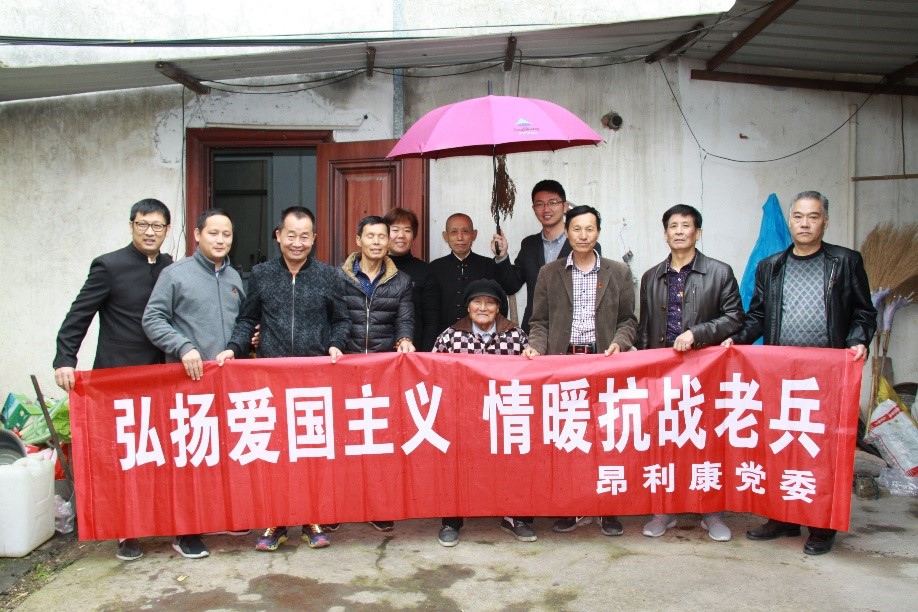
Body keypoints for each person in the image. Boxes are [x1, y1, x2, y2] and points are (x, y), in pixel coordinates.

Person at [724, 190, 876, 555]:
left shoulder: (845, 261)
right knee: (781, 444)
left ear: (825, 221)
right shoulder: (771, 266)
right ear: (790, 221)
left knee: (823, 449)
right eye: (798, 216)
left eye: (813, 216)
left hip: (827, 376)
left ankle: (822, 525)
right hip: (782, 375)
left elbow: (863, 311)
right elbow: (758, 315)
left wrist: (858, 339)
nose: (804, 223)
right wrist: (735, 339)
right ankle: (783, 518)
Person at [215, 206, 349, 553]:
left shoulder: (328, 276)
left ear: (314, 239)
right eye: (291, 235)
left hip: (313, 378)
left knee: (311, 450)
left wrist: (336, 343)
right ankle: (275, 521)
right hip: (271, 378)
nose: (297, 242)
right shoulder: (261, 274)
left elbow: (341, 320)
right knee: (274, 450)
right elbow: (248, 319)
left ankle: (312, 518)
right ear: (278, 236)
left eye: (305, 236)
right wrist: (234, 348)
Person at [53, 198, 173, 561]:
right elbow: (79, 314)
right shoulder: (109, 266)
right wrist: (65, 359)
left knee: (159, 453)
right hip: (118, 376)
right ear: (131, 225)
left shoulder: (170, 266)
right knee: (126, 457)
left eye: (157, 226)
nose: (150, 232)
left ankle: (160, 520)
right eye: (143, 224)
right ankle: (126, 531)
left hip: (160, 375)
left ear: (167, 230)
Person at [523, 204, 637, 537]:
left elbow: (628, 320)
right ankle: (574, 506)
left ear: (598, 232)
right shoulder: (549, 273)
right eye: (576, 229)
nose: (583, 235)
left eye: (589, 229)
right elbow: (539, 321)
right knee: (570, 438)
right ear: (567, 232)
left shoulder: (618, 272)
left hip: (604, 364)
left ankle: (607, 509)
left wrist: (619, 342)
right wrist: (536, 347)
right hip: (564, 364)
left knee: (607, 437)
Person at [635, 204, 744, 542]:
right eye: (673, 226)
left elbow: (735, 317)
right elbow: (645, 328)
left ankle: (711, 513)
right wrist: (642, 367)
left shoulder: (719, 272)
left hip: (706, 372)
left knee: (706, 441)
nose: (679, 231)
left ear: (698, 233)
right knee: (665, 442)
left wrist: (698, 333)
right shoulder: (652, 276)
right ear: (665, 233)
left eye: (686, 226)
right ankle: (664, 510)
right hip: (663, 374)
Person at [141, 209, 245, 558]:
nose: (220, 240)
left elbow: (241, 322)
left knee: (222, 453)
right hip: (187, 384)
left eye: (227, 234)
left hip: (226, 384)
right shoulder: (176, 274)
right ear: (197, 235)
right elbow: (153, 318)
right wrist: (183, 346)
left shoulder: (234, 277)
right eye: (213, 233)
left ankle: (220, 517)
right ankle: (186, 531)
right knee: (190, 457)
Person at [432, 279, 533, 547]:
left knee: (515, 462)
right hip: (462, 417)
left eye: (490, 303)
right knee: (455, 464)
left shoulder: (517, 336)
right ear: (468, 307)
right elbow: (433, 374)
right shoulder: (450, 336)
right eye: (477, 302)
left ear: (499, 308)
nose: (483, 308)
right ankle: (451, 521)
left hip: (505, 415)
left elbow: (533, 375)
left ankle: (515, 517)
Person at [338, 215, 415, 532]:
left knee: (379, 441)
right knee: (344, 440)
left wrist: (405, 339)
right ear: (358, 240)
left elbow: (405, 319)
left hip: (383, 372)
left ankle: (377, 506)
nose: (376, 242)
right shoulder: (338, 277)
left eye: (382, 236)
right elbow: (332, 319)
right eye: (370, 236)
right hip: (345, 369)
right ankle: (338, 507)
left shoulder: (402, 281)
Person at [494, 180, 599, 333]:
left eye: (553, 202)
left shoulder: (584, 244)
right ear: (534, 208)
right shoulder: (529, 245)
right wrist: (502, 256)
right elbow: (511, 286)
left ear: (565, 207)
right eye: (540, 204)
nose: (546, 209)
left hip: (573, 332)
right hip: (534, 331)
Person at [425, 213, 514, 334]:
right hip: (444, 338)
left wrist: (501, 256)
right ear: (445, 236)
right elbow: (429, 312)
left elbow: (504, 299)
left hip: (483, 337)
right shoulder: (434, 268)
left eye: (465, 231)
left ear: (474, 235)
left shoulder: (489, 265)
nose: (460, 238)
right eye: (454, 232)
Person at [384, 207, 438, 351]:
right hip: (379, 350)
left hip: (413, 351)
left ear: (413, 235)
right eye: (395, 230)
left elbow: (431, 321)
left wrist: (425, 355)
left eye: (407, 230)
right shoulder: (375, 268)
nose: (401, 235)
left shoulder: (425, 271)